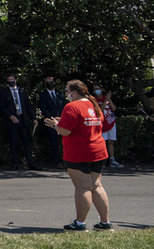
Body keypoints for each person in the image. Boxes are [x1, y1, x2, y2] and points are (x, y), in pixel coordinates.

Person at [44, 79, 112, 231]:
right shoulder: (93, 105)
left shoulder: (72, 106)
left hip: (80, 153)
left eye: (67, 90)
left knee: (82, 187)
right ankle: (105, 223)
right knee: (96, 186)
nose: (66, 93)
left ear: (74, 92)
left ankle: (80, 223)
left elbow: (65, 131)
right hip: (98, 151)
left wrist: (55, 125)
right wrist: (62, 123)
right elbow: (87, 124)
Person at [0, 74, 40, 171]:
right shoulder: (4, 92)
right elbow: (2, 107)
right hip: (12, 121)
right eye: (9, 79)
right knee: (13, 143)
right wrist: (10, 116)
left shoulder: (22, 91)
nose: (10, 81)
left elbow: (27, 105)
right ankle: (14, 164)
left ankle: (31, 163)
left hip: (23, 120)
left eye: (12, 79)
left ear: (16, 80)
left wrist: (34, 118)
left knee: (27, 142)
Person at [39, 75, 65, 168]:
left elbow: (64, 106)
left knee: (64, 141)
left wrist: (62, 117)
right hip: (51, 122)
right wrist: (52, 118)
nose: (49, 84)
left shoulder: (60, 94)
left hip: (62, 120)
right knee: (53, 142)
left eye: (51, 82)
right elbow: (43, 108)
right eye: (47, 82)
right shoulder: (43, 95)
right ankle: (57, 161)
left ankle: (66, 160)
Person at [97, 88, 121, 168]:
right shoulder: (94, 99)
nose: (96, 90)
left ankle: (112, 160)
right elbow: (100, 110)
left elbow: (114, 108)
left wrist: (108, 99)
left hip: (110, 121)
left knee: (111, 141)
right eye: (95, 89)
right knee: (103, 142)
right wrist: (105, 101)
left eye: (98, 89)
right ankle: (102, 161)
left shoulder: (107, 98)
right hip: (102, 123)